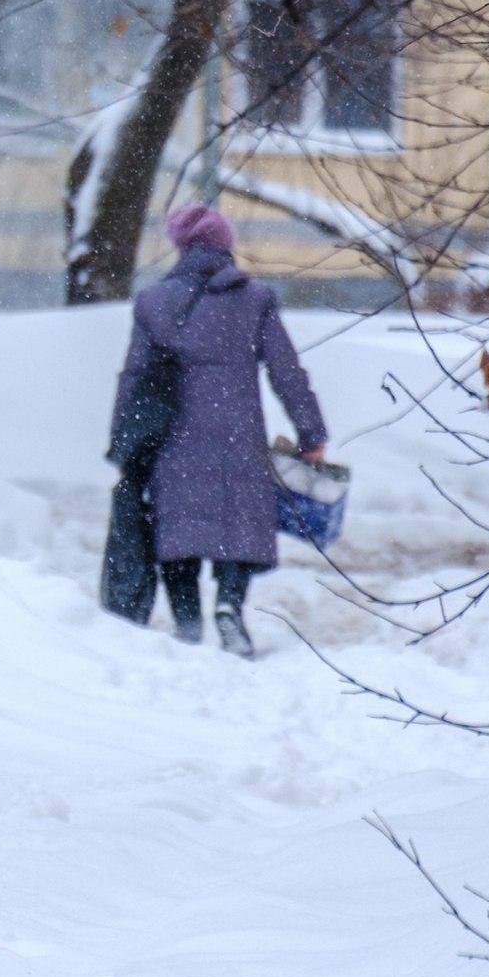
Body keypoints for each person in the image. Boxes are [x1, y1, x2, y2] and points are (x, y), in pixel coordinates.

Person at [107, 203, 328, 658]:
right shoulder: (255, 299)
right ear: (225, 244)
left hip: (174, 437)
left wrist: (122, 443)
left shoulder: (155, 302)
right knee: (236, 525)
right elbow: (288, 372)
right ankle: (229, 606)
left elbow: (134, 376)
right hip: (238, 436)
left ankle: (188, 624)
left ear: (180, 246)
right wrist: (311, 434)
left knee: (179, 528)